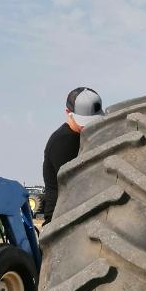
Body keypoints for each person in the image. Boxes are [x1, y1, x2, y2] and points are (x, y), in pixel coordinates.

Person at [42, 87, 105, 224]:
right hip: (61, 222)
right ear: (68, 113)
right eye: (83, 120)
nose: (87, 126)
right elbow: (75, 189)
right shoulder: (63, 142)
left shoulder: (86, 137)